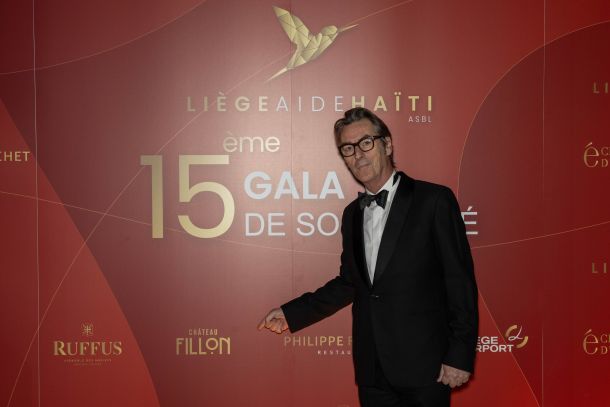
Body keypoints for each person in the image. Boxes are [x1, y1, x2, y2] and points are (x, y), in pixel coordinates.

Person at [258, 107, 478, 407]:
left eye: (365, 142)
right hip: (372, 369)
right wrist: (292, 313)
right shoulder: (352, 214)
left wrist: (459, 355)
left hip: (427, 366)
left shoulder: (434, 200)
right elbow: (350, 283)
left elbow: (459, 282)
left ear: (387, 145)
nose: (358, 154)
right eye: (348, 148)